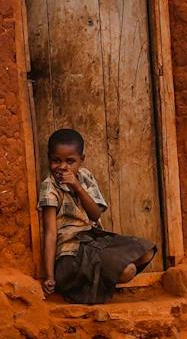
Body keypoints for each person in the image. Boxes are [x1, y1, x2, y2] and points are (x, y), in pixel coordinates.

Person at [36, 128, 157, 304]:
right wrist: (49, 276)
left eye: (70, 161)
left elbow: (95, 214)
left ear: (81, 160)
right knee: (127, 270)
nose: (62, 167)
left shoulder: (85, 177)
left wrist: (78, 187)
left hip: (93, 240)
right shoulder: (49, 187)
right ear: (49, 158)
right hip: (71, 253)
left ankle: (98, 279)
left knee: (146, 252)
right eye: (56, 160)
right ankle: (86, 283)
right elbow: (50, 233)